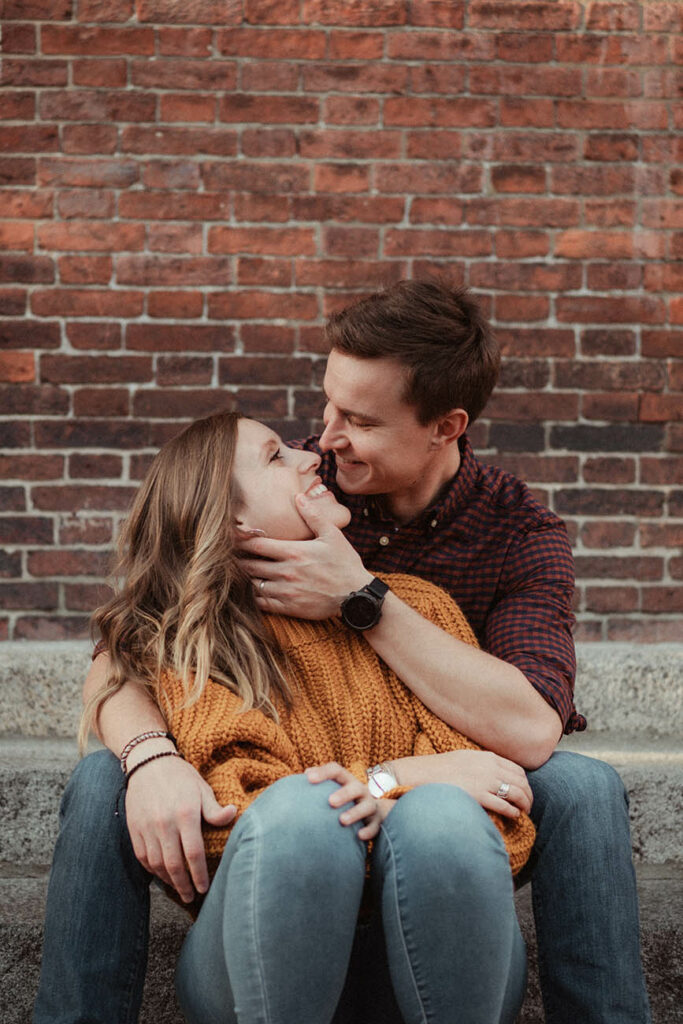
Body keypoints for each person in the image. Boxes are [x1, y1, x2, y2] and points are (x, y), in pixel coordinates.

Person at [34, 280, 650, 1024]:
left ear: (444, 426)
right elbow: (130, 648)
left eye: (357, 419)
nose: (320, 441)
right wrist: (152, 758)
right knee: (110, 774)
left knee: (580, 789)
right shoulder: (294, 485)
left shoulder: (517, 534)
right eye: (326, 405)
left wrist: (361, 600)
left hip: (455, 783)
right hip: (296, 837)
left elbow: (525, 731)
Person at [75, 409, 535, 1024]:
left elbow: (492, 800)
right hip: (260, 951)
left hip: (432, 955)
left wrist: (392, 792)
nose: (311, 455)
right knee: (303, 813)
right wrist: (391, 783)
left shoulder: (419, 606)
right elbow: (230, 827)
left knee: (444, 816)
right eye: (275, 456)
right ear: (234, 520)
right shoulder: (199, 645)